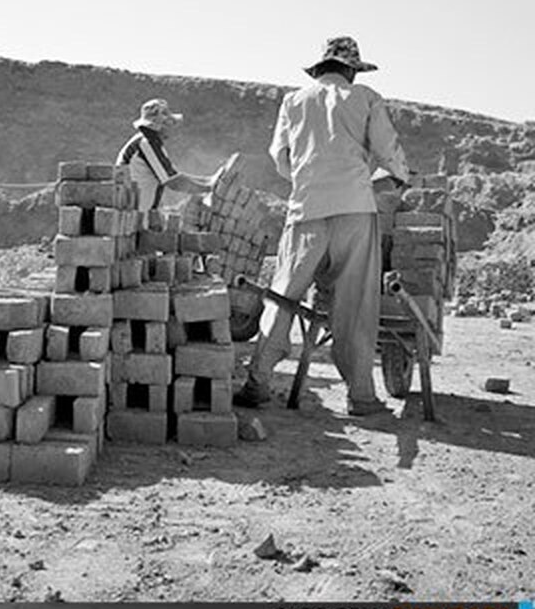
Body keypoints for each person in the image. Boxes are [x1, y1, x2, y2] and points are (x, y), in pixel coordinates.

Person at [233, 36, 410, 415]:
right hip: (356, 214)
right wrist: (387, 178)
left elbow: (280, 159)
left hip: (306, 211)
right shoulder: (366, 99)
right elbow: (389, 153)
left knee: (282, 295)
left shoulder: (293, 101)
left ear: (320, 69)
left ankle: (258, 382)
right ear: (351, 70)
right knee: (355, 307)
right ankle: (361, 396)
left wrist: (308, 178)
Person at [116, 98, 221, 210]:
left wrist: (208, 180)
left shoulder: (149, 142)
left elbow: (174, 175)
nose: (172, 127)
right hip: (132, 213)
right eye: (169, 123)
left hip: (137, 210)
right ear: (160, 125)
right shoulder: (147, 144)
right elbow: (173, 182)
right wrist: (209, 188)